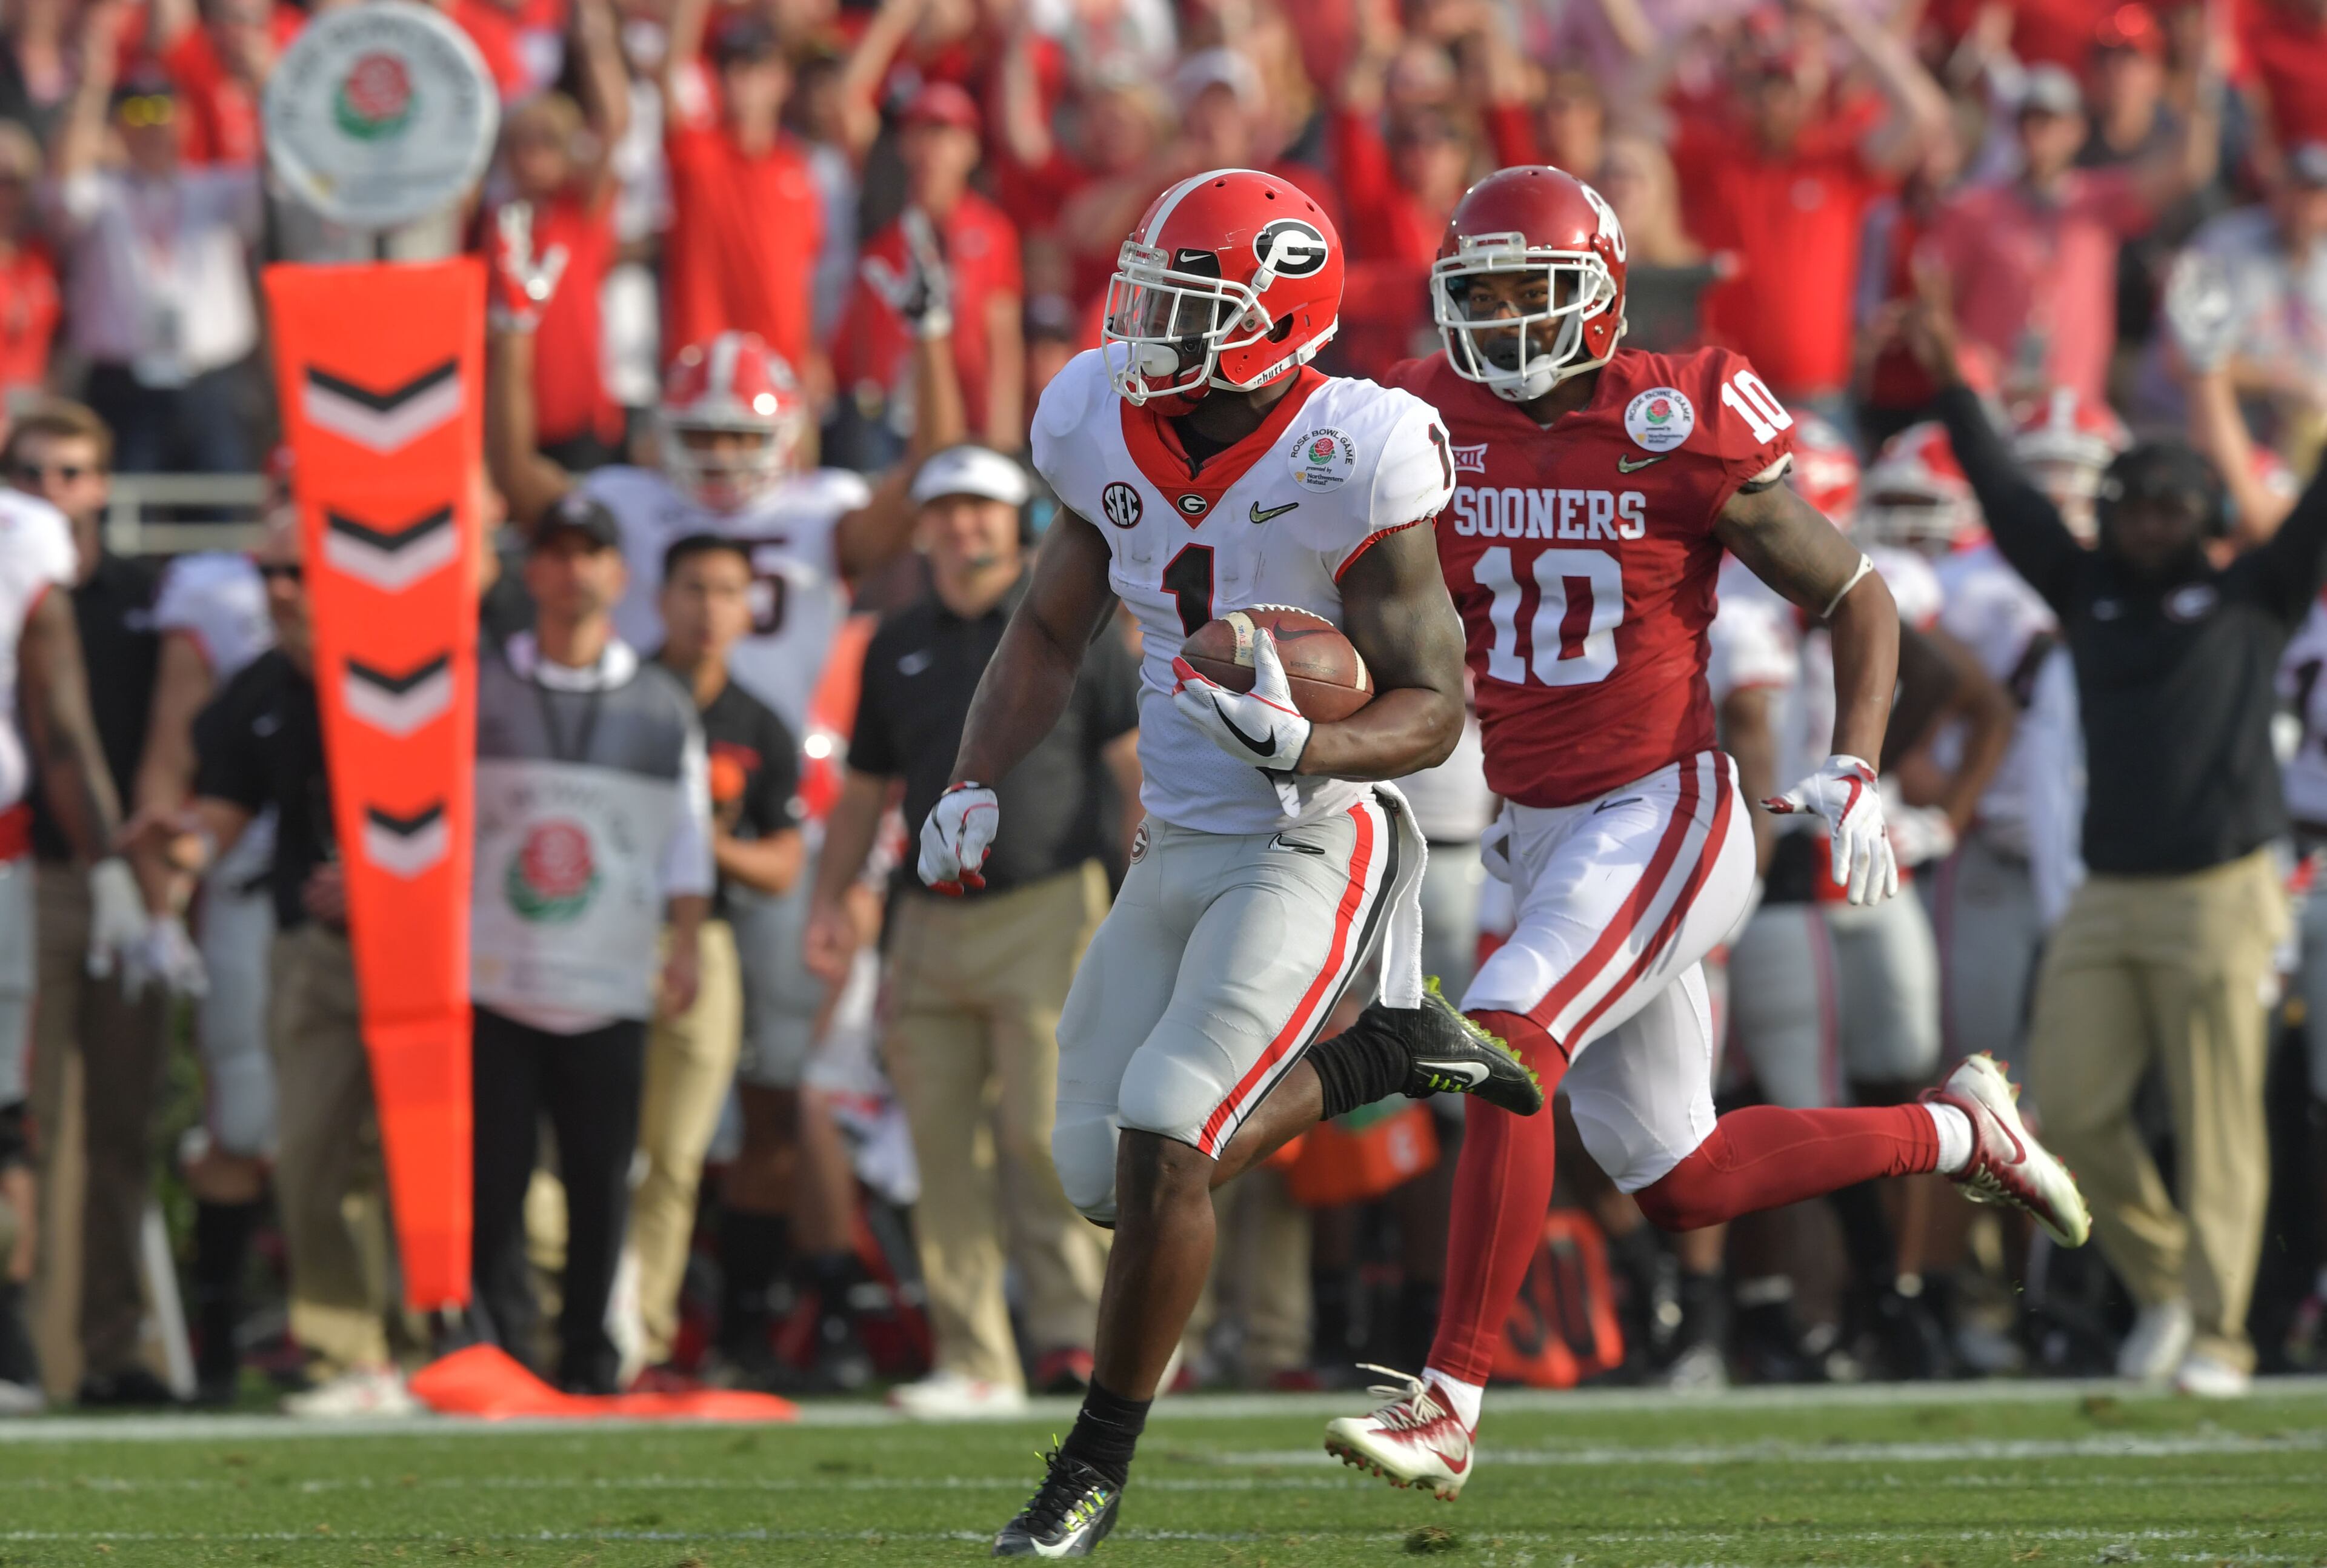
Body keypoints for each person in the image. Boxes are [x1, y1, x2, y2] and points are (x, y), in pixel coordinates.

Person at [1324, 166, 2087, 1497]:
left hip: (1665, 806)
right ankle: (1961, 1133)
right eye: (1479, 295)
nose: (1501, 322)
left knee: (1505, 1038)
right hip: (1536, 827)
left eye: (1530, 292)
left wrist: (1853, 764)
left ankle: (1449, 1401)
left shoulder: (1675, 417)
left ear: (1603, 294)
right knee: (1681, 1178)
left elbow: (1856, 596)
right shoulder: (1426, 413)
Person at [918, 168, 1543, 1555]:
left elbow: (1435, 704)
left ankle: (1089, 1463)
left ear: (1278, 318)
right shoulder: (1095, 417)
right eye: (1148, 292)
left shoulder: (1363, 443)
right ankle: (1385, 1054)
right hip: (1179, 835)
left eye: (1186, 303)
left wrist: (1303, 745)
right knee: (1100, 1174)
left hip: (1319, 832)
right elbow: (1042, 629)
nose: (1147, 324)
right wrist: (970, 776)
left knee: (1168, 1129)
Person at [490, 313, 959, 1390]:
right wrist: (519, 335)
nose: (725, 458)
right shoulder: (628, 505)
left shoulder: (823, 511)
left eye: (745, 437)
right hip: (641, 800)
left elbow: (924, 474)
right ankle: (631, 1307)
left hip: (783, 809)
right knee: (620, 1077)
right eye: (703, 435)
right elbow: (519, 479)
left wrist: (926, 338)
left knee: (775, 1087)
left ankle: (747, 1317)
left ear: (786, 435)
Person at [1897, 276, 2327, 1398]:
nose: (2149, 523)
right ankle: (2182, 1283)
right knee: (2071, 1107)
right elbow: (2000, 487)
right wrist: (1953, 377)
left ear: (2206, 516)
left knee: (2220, 1117)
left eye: (2170, 506)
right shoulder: (2084, 587)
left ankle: (2223, 1339)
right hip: (2108, 891)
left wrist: (2219, 387)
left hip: (2226, 888)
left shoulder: (2254, 598)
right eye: (2133, 505)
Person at [807, 444, 1136, 1419]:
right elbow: (866, 795)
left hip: (1050, 908)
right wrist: (832, 903)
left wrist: (1142, 905)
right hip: (927, 918)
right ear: (922, 530)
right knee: (941, 1144)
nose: (964, 528)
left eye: (982, 511)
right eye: (946, 511)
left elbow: (1129, 779)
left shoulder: (1075, 630)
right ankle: (975, 1355)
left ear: (1020, 523)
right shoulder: (892, 641)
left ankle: (1079, 1338)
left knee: (1045, 1135)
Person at [469, 494, 711, 1395]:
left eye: (591, 555)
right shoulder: (483, 683)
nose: (574, 572)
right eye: (557, 554)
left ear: (618, 573)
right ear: (530, 571)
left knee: (599, 1177)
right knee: (492, 1178)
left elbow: (686, 835)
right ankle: (494, 1347)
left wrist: (684, 945)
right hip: (493, 969)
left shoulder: (657, 702)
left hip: (607, 971)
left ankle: (589, 1355)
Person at [172, 516, 413, 1417]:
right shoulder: (260, 689)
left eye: (298, 572)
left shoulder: (416, 676)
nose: (279, 590)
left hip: (425, 952)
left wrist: (389, 874)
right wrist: (181, 848)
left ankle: (442, 1339)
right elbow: (225, 813)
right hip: (310, 950)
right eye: (268, 572)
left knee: (419, 1153)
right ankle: (348, 1351)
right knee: (309, 1150)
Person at [9, 402, 187, 1407]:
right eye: (31, 472)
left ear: (104, 486)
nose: (52, 490)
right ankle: (17, 1341)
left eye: (71, 471)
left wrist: (155, 874)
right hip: (22, 873)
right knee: (17, 1126)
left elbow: (170, 740)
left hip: (125, 883)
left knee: (123, 1126)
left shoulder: (142, 596)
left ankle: (113, 1345)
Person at [624, 532, 804, 1379]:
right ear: (661, 599)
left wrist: (705, 847)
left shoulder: (757, 723)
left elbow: (782, 865)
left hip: (712, 944)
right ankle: (559, 1313)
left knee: (676, 1155)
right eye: (692, 587)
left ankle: (643, 1338)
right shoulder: (617, 696)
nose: (707, 608)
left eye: (726, 591)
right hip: (602, 932)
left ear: (748, 610)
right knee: (572, 1150)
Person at [0, 460, 136, 1415]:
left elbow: (60, 725)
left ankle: (8, 1338)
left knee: (6, 1114)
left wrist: (109, 864)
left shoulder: (23, 532)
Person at [126, 543, 275, 1405]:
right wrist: (162, 898)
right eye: (279, 574)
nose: (289, 591)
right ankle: (221, 1339)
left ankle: (372, 1336)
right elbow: (181, 769)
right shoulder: (248, 671)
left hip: (391, 907)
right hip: (256, 890)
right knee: (246, 1115)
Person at [1923, 61, 2220, 407]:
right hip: (1991, 402)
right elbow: (1933, 303)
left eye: (2051, 122)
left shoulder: (2098, 201)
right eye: (2029, 122)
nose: (2039, 134)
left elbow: (2190, 168)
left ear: (2076, 131)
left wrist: (2205, 80)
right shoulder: (1973, 209)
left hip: (2074, 409)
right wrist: (1970, 366)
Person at [47, 5, 260, 474]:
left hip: (210, 383)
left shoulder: (217, 189)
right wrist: (93, 84)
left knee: (222, 521)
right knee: (124, 527)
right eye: (138, 113)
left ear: (186, 120)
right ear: (117, 126)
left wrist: (261, 82)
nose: (152, 126)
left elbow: (281, 183)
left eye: (164, 110)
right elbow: (65, 190)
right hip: (122, 386)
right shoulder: (103, 194)